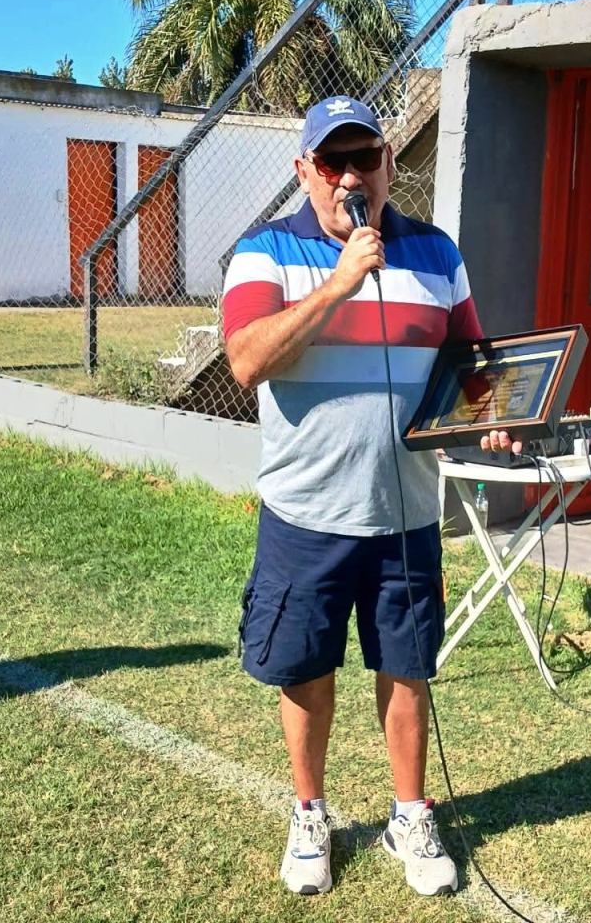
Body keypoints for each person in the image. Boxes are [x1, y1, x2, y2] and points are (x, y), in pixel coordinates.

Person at [222, 95, 519, 897]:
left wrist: (497, 414)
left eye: (365, 159)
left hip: (406, 516)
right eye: (333, 162)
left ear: (390, 164)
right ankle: (309, 815)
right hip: (306, 517)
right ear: (305, 171)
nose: (350, 177)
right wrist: (340, 284)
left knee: (406, 669)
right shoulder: (264, 251)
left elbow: (470, 362)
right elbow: (246, 360)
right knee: (305, 671)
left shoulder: (436, 253)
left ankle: (409, 816)